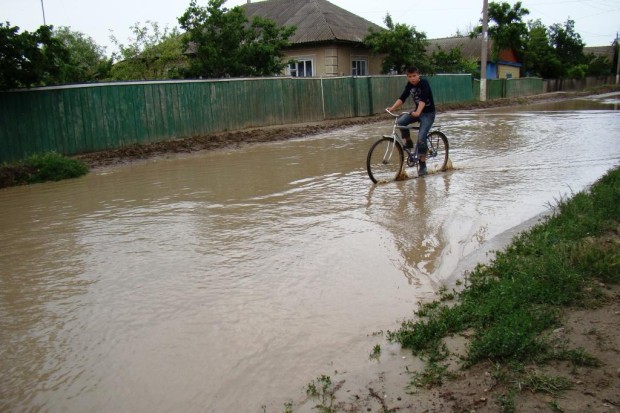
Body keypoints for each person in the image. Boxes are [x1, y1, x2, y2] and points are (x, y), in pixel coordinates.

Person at [387, 66, 436, 176]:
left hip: (428, 114)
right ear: (407, 77)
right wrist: (392, 108)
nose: (412, 78)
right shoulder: (409, 85)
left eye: (414, 76)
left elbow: (423, 99)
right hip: (417, 112)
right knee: (401, 122)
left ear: (418, 75)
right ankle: (408, 141)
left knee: (421, 137)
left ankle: (422, 164)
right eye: (410, 76)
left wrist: (418, 112)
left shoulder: (424, 83)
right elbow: (402, 98)